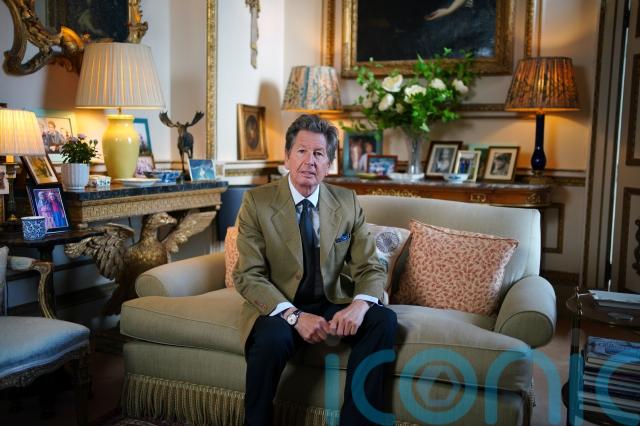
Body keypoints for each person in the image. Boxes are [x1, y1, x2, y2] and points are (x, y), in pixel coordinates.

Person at [234, 114, 398, 426]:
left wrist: (360, 305)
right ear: (287, 157)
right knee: (269, 341)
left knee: (383, 321)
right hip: (280, 303)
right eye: (301, 151)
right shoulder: (257, 202)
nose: (309, 161)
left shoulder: (347, 201)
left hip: (331, 299)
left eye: (319, 153)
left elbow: (369, 266)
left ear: (329, 164)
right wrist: (294, 316)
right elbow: (248, 275)